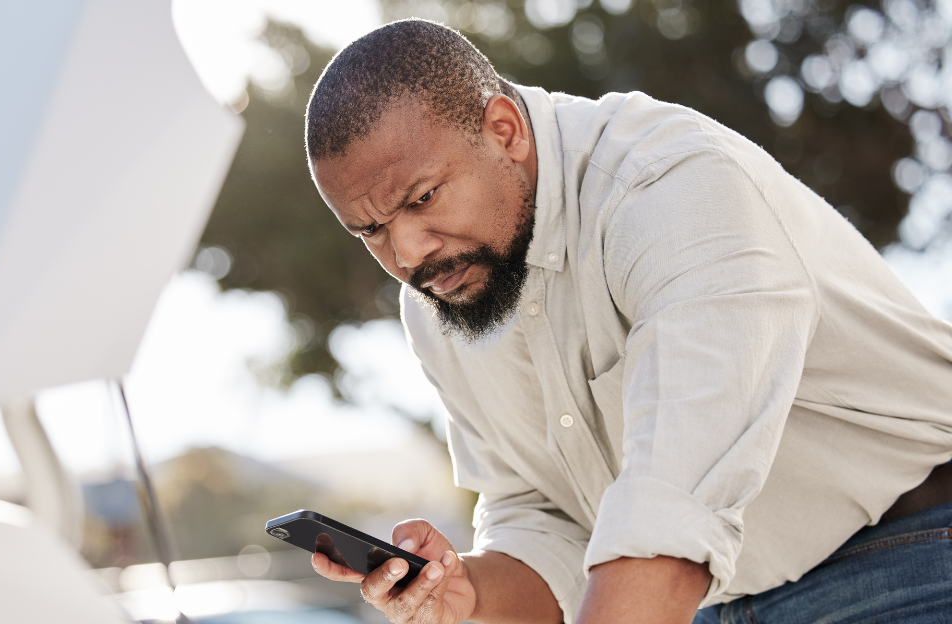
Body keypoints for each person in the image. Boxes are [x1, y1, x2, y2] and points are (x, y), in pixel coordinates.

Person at [302, 18, 952, 624]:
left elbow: (670, 514)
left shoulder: (673, 187)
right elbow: (544, 518)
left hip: (915, 553)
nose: (408, 253)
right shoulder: (442, 296)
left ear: (504, 130)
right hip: (715, 602)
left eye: (422, 198)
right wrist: (468, 591)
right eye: (370, 230)